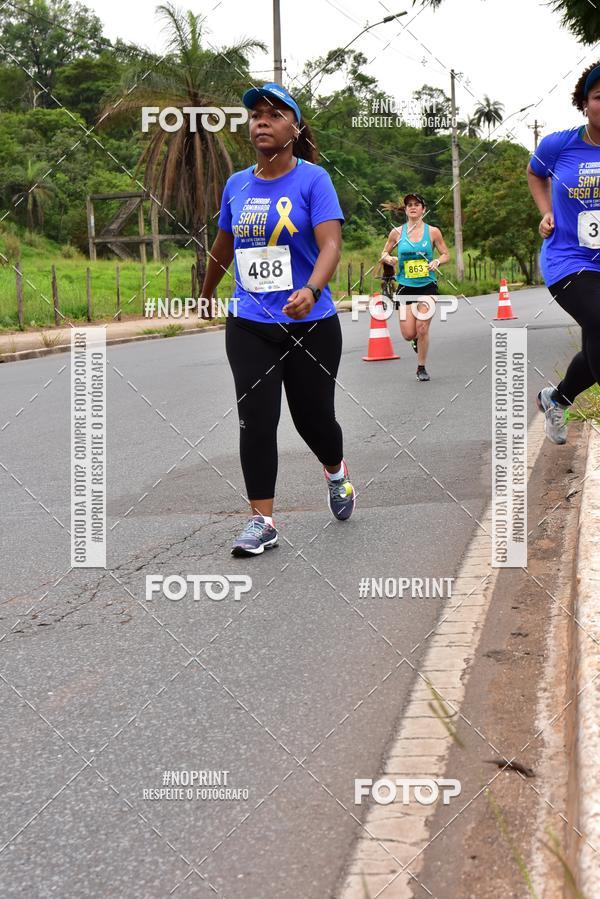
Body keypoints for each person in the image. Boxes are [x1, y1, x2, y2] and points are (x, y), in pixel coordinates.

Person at [199, 83, 355, 557]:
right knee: (256, 420)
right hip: (249, 323)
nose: (261, 121)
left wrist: (312, 289)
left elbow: (331, 244)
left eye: (273, 114)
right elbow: (224, 245)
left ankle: (336, 471)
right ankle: (262, 521)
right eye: (255, 115)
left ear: (295, 128)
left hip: (311, 324)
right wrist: (205, 293)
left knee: (313, 419)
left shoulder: (314, 180)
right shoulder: (237, 185)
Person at [527, 61, 600, 445]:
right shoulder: (559, 145)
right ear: (584, 103)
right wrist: (546, 212)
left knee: (596, 341)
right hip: (568, 260)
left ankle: (557, 399)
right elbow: (535, 173)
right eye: (599, 97)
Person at [380, 194, 449, 381]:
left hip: (427, 285)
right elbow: (384, 252)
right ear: (405, 209)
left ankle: (421, 367)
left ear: (423, 209)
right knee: (409, 334)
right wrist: (389, 258)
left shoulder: (433, 232)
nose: (413, 207)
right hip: (405, 287)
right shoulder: (397, 233)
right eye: (409, 205)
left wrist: (437, 261)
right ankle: (416, 340)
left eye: (417, 204)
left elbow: (445, 254)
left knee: (422, 326)